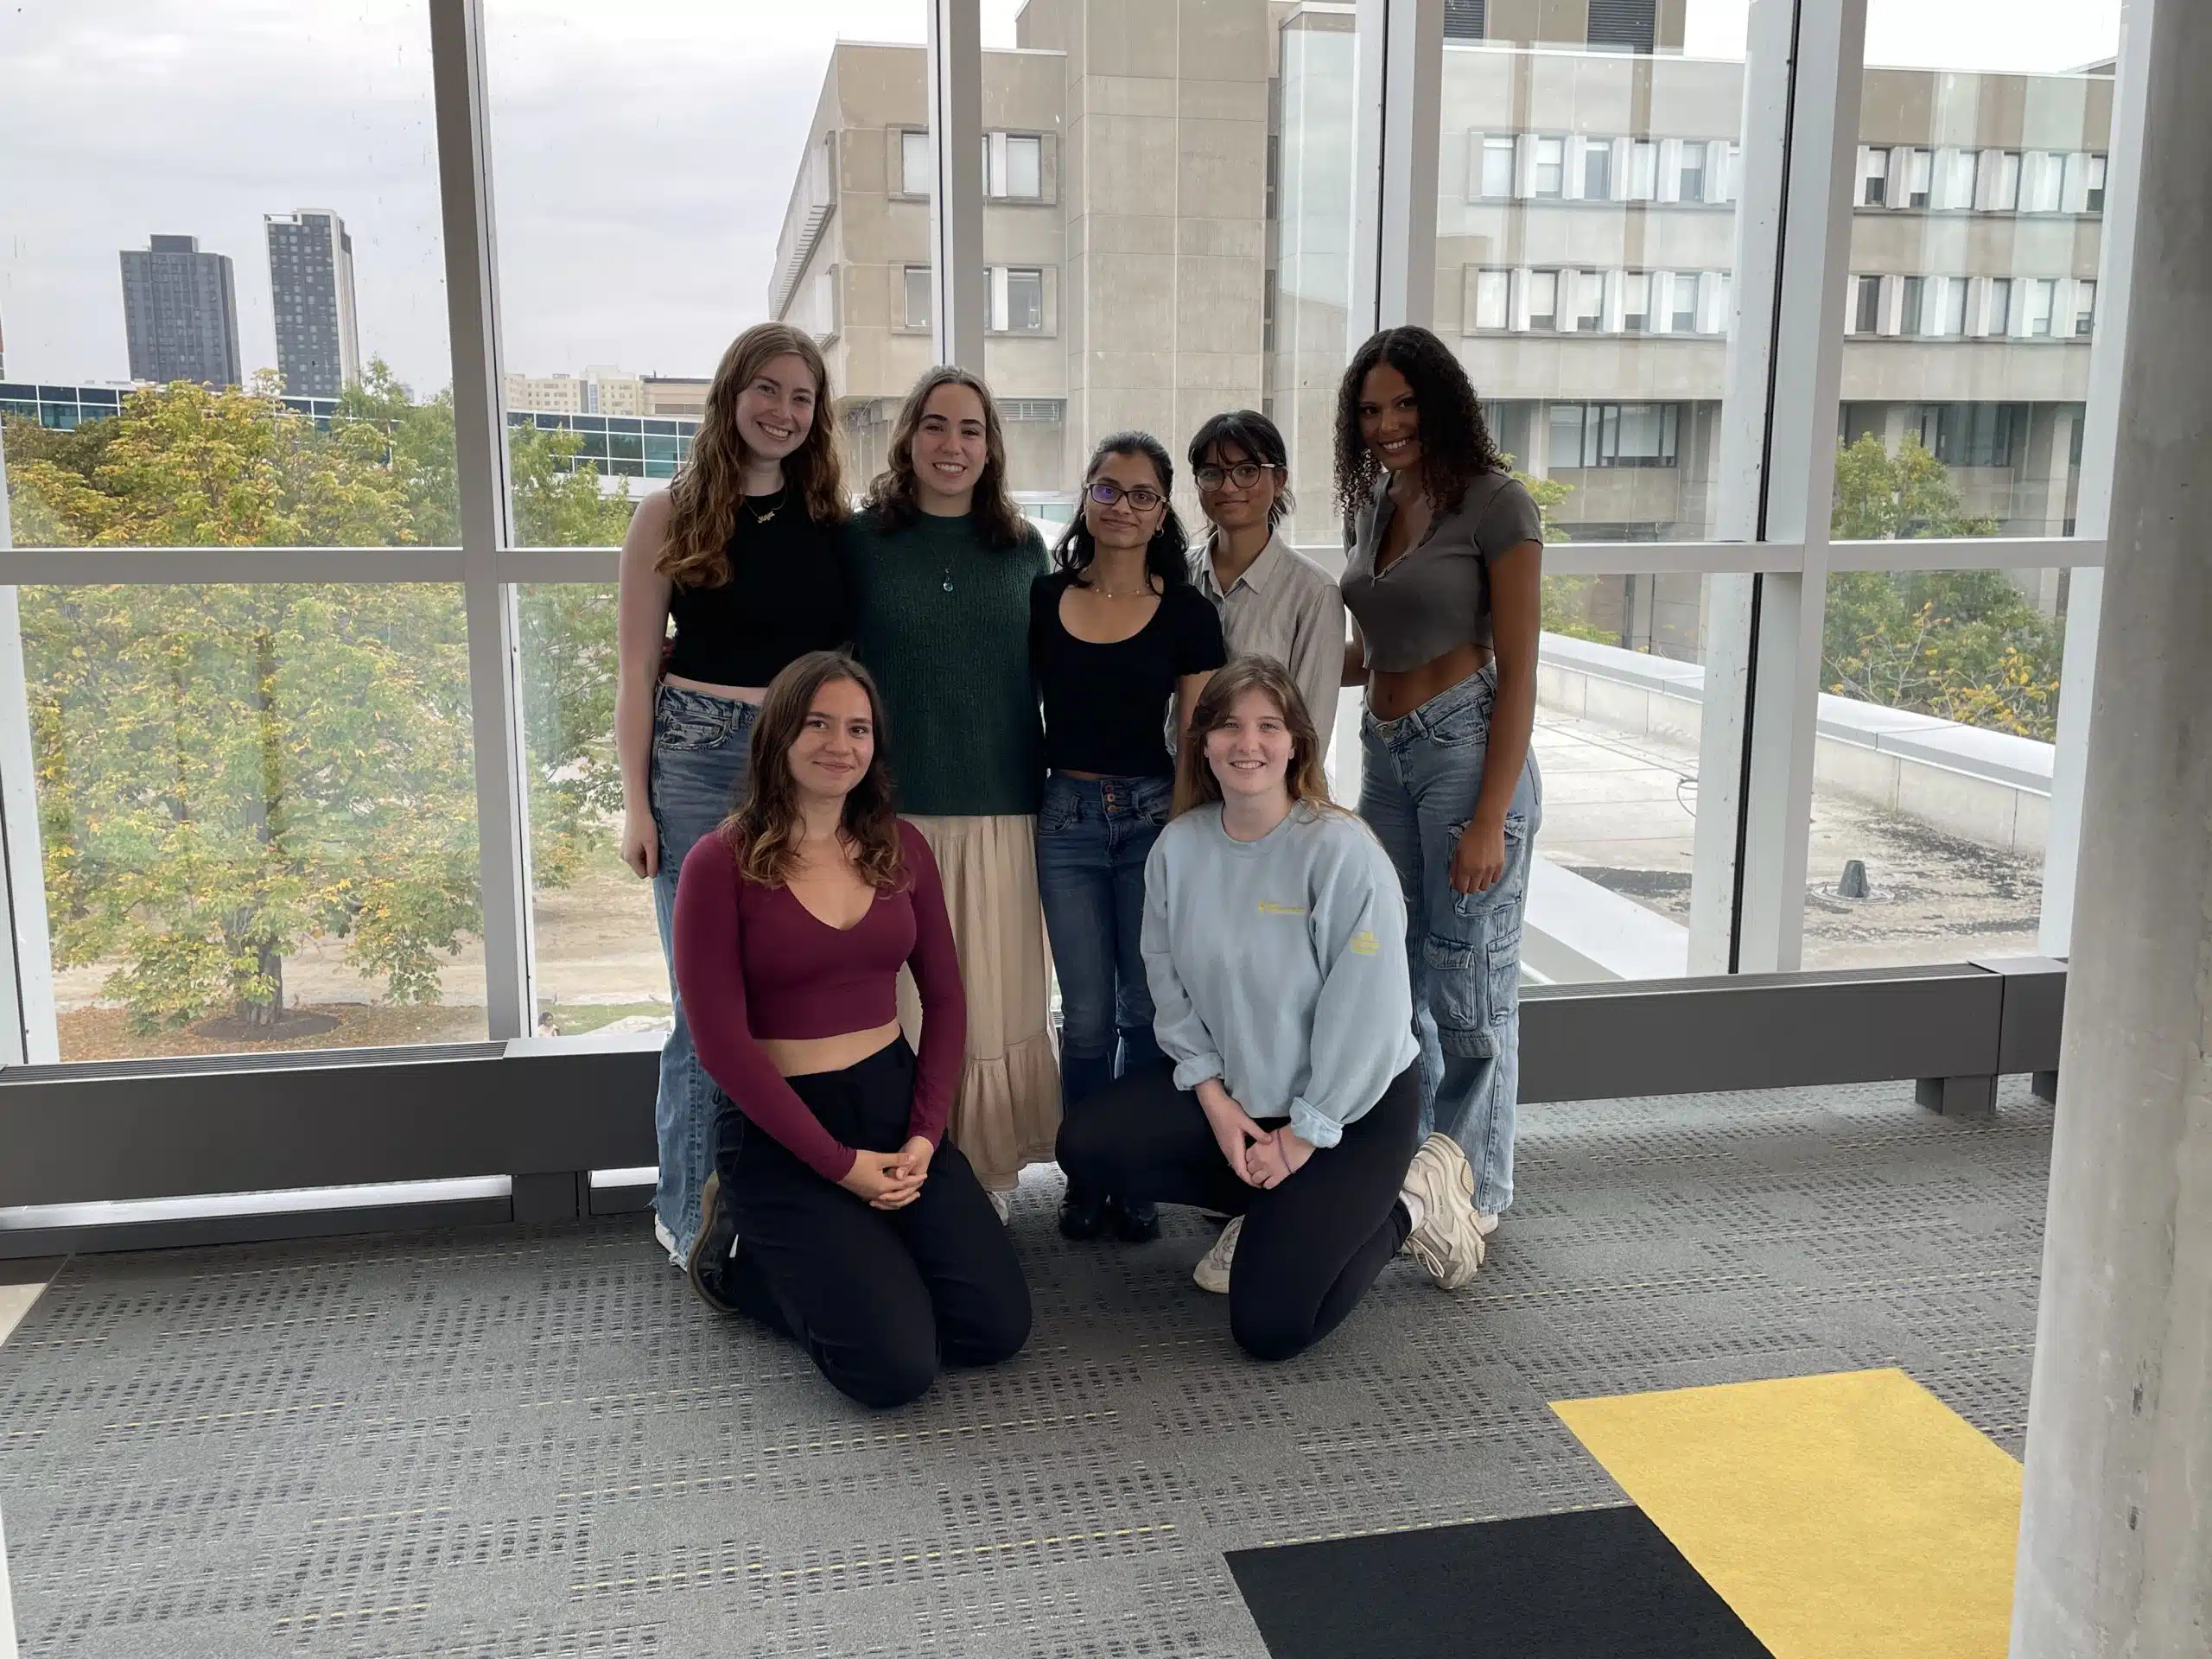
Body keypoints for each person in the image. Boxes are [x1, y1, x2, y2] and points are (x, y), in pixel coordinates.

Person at [1056, 658, 1491, 1364]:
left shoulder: (1342, 852)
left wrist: (1302, 1137)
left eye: (1267, 726)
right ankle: (1272, 1214)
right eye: (1227, 725)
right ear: (1202, 744)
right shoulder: (1180, 848)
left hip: (1351, 1112)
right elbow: (1168, 986)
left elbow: (1369, 1019)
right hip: (1242, 1097)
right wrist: (1217, 1103)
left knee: (1270, 1327)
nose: (1246, 743)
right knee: (1088, 1144)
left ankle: (1411, 1203)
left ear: (1296, 744)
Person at [675, 652, 1031, 1408]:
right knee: (895, 1370)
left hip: (892, 1104)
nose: (841, 743)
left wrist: (925, 1137)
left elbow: (948, 1002)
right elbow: (720, 1046)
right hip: (782, 1129)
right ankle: (741, 1267)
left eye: (859, 728)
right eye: (819, 724)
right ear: (778, 736)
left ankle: (866, 1267)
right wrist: (839, 1166)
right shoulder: (720, 862)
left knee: (996, 1330)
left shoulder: (901, 848)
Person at [616, 321, 853, 1268]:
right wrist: (635, 806)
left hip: (807, 768)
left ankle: (767, 1204)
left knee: (785, 1002)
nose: (783, 412)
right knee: (703, 1009)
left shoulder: (833, 525)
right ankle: (687, 1213)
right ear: (731, 394)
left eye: (802, 398)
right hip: (699, 764)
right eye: (768, 390)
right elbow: (636, 673)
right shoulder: (667, 513)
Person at [1337, 325, 1545, 1261]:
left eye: (1403, 405)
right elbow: (1373, 648)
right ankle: (1416, 1167)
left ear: (1442, 403)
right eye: (1371, 410)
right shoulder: (1380, 501)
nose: (1385, 426)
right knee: (1396, 977)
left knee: (1468, 984)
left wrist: (1491, 818)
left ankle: (1477, 1188)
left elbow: (1523, 672)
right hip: (1385, 756)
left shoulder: (1497, 506)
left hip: (1465, 754)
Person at [849, 367, 1062, 1219]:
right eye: (935, 426)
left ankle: (984, 1171)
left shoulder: (1023, 550)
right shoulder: (860, 544)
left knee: (989, 996)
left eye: (970, 429)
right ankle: (904, 1170)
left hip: (1003, 803)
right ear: (907, 438)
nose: (952, 444)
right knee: (898, 1005)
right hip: (889, 810)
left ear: (991, 447)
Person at [1032, 432, 1225, 1244]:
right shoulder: (1042, 598)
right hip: (1066, 820)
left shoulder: (1187, 611)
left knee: (1145, 1011)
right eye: (1107, 490)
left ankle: (1136, 1172)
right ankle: (1087, 1174)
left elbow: (1197, 737)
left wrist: (1182, 838)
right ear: (1085, 497)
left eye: (1142, 494)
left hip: (1152, 820)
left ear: (1162, 510)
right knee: (1084, 1017)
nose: (1122, 506)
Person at [1187, 410, 1346, 764]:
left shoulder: (1314, 592)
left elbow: (1311, 732)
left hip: (1264, 791)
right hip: (1168, 788)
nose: (1228, 487)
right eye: (1212, 473)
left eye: (1247, 471)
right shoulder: (1175, 576)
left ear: (1279, 481)